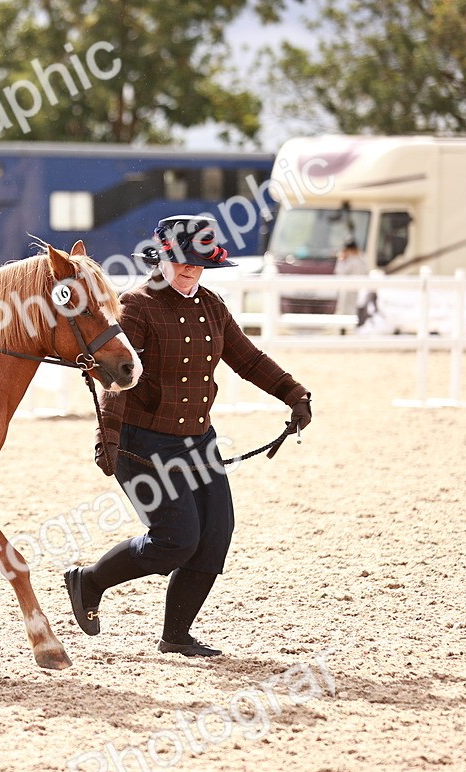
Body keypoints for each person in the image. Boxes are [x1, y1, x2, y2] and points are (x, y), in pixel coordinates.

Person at [64, 215, 312, 657]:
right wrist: (109, 436)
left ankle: (176, 636)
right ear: (161, 256)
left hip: (199, 443)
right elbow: (118, 380)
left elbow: (248, 360)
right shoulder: (135, 306)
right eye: (183, 262)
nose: (191, 270)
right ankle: (89, 581)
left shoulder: (212, 306)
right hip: (141, 445)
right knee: (175, 541)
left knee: (214, 537)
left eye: (199, 264)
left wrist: (294, 393)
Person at [334, 235, 368, 319]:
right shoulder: (362, 259)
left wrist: (341, 260)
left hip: (349, 290)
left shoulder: (350, 261)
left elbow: (339, 272)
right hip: (358, 290)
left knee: (346, 313)